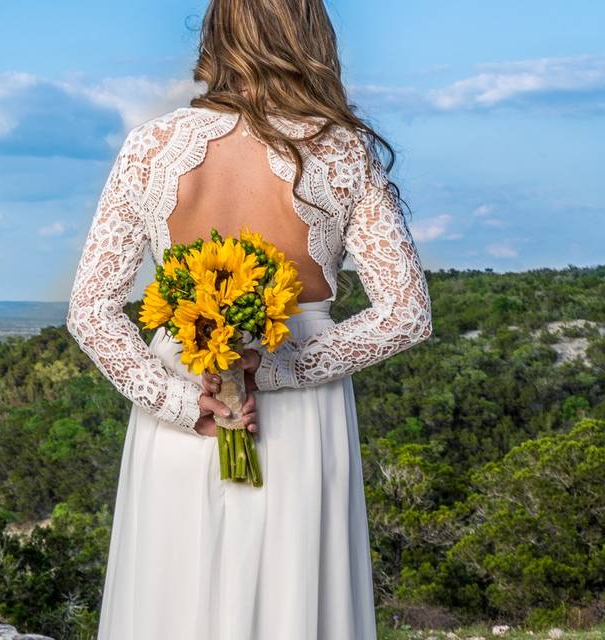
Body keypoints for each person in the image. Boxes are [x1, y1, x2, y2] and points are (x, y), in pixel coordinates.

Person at [64, 0, 433, 637]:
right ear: (311, 34)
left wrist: (185, 404)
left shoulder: (152, 146)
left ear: (217, 35)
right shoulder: (339, 150)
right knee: (296, 595)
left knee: (177, 595)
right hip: (298, 412)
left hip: (186, 393)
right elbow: (405, 314)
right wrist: (278, 368)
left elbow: (91, 310)